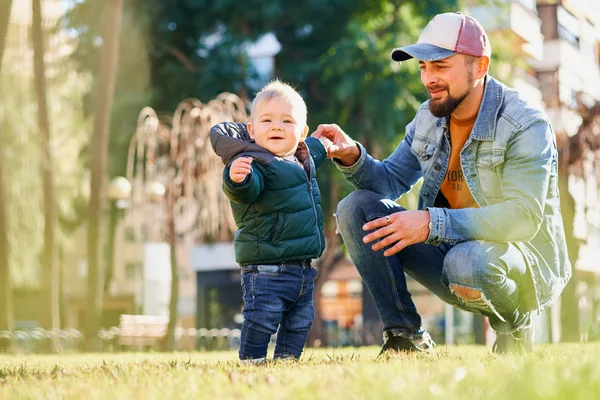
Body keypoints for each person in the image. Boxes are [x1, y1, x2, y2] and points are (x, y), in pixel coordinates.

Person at [312, 11, 571, 354]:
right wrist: (350, 155)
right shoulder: (429, 116)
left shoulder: (524, 123)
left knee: (466, 261)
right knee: (356, 208)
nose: (428, 78)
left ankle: (515, 322)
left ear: (479, 66)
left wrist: (433, 222)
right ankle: (406, 336)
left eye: (440, 65)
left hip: (518, 261)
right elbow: (389, 181)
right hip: (449, 250)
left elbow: (523, 216)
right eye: (423, 67)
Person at [210, 80, 328, 362]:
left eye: (287, 121)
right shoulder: (256, 162)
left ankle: (287, 360)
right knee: (262, 318)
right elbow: (245, 190)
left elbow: (315, 150)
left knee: (299, 321)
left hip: (302, 269)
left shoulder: (301, 158)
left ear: (301, 132)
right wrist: (237, 178)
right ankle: (252, 359)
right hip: (266, 269)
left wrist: (326, 144)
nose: (276, 126)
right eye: (267, 120)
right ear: (252, 130)